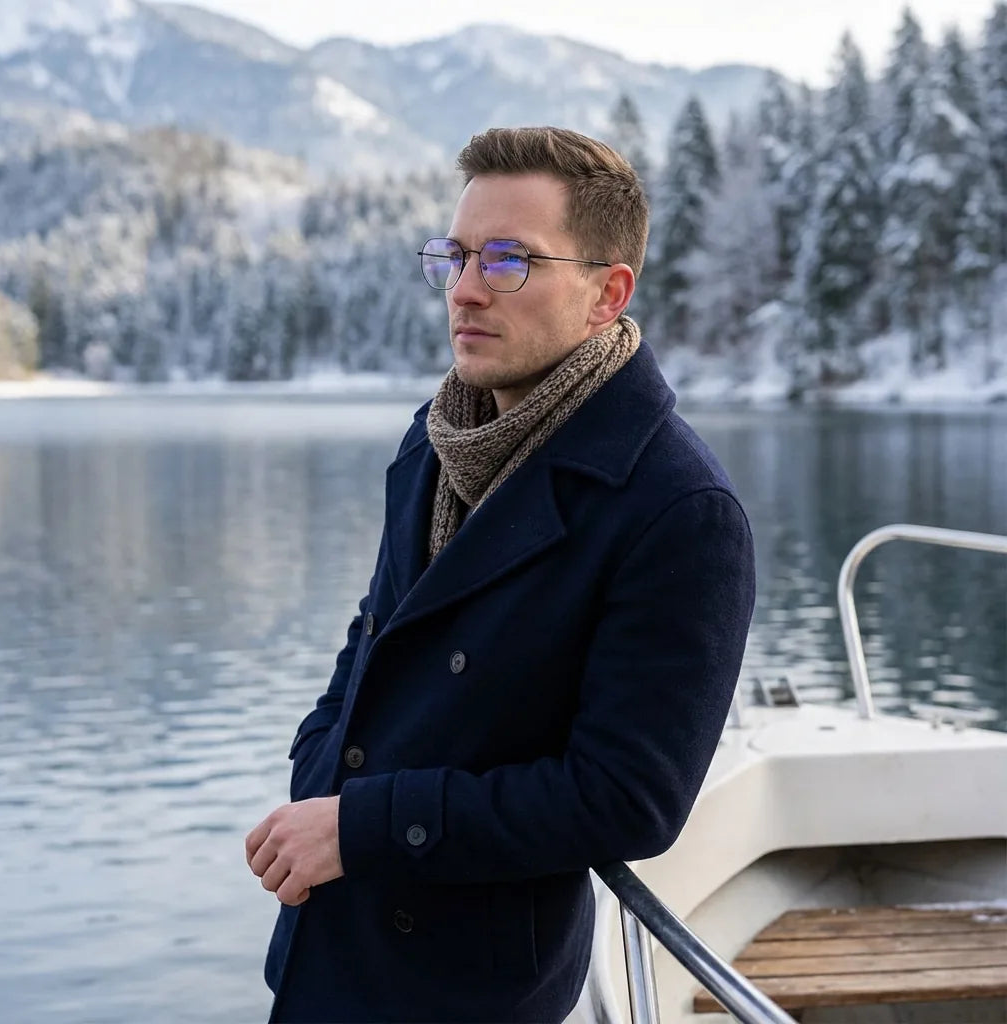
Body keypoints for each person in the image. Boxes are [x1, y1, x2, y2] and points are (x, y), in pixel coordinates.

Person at [245, 126, 756, 1024]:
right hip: (331, 938)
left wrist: (362, 826)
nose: (467, 289)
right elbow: (374, 641)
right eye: (457, 256)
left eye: (511, 261)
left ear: (607, 294)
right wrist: (317, 770)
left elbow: (627, 799)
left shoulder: (678, 508)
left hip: (469, 983)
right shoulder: (438, 439)